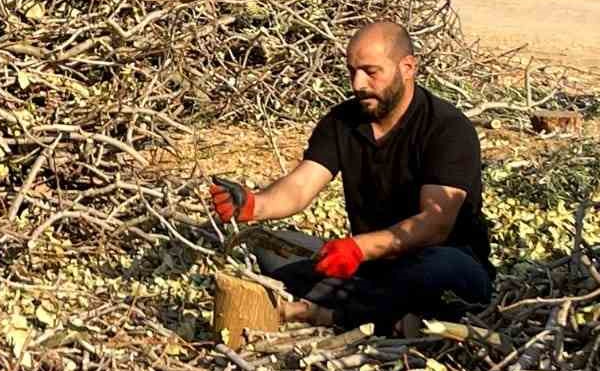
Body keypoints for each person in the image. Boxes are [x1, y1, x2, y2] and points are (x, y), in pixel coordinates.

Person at [209, 21, 492, 335]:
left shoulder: (447, 128)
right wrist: (253, 204)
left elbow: (434, 225)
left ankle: (327, 314)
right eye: (352, 71)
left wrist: (359, 248)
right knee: (273, 249)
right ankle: (386, 317)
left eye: (371, 72)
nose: (358, 84)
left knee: (438, 269)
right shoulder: (342, 121)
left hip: (443, 264)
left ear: (407, 67)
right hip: (372, 270)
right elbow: (302, 185)